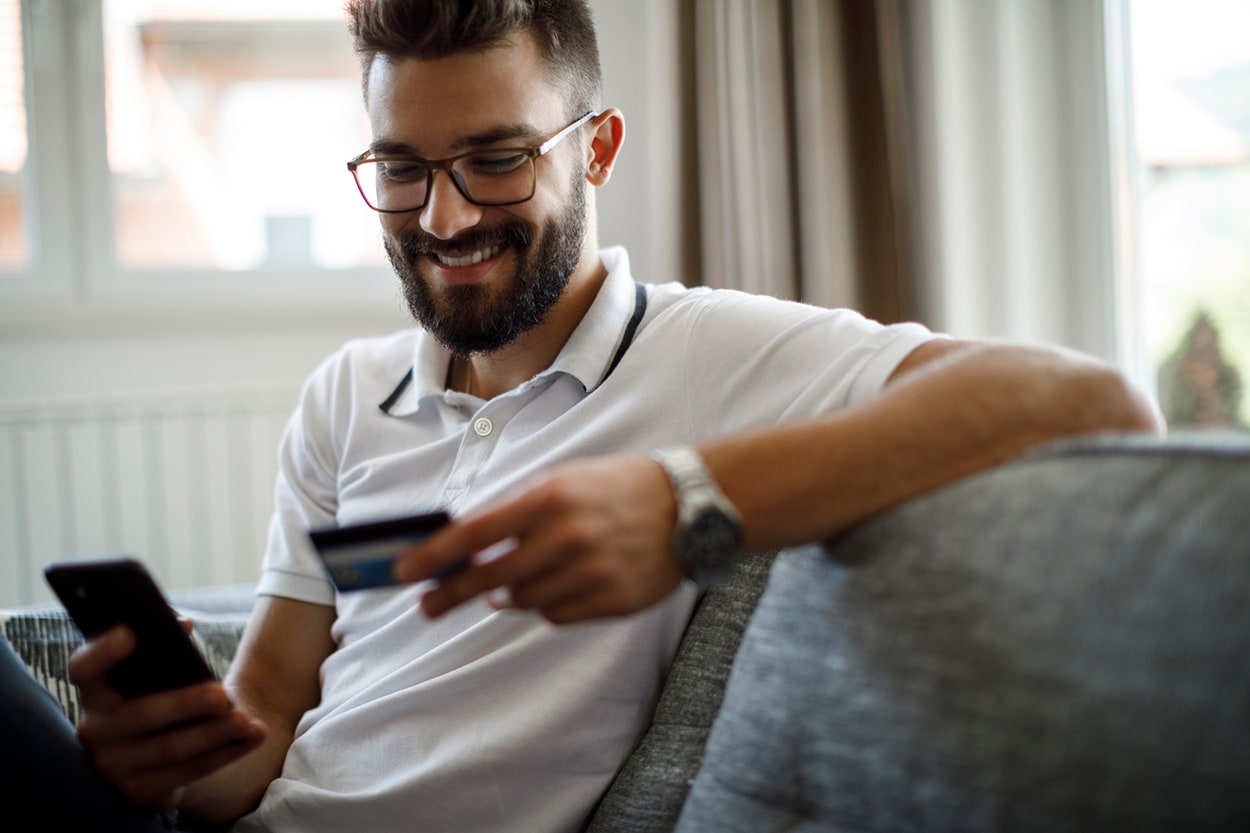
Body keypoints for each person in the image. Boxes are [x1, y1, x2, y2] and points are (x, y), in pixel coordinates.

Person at [0, 1, 1161, 831]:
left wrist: (683, 502)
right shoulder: (343, 399)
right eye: (400, 169)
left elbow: (1090, 399)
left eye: (495, 160)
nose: (442, 217)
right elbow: (260, 722)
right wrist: (163, 758)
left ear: (595, 147)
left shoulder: (710, 352)